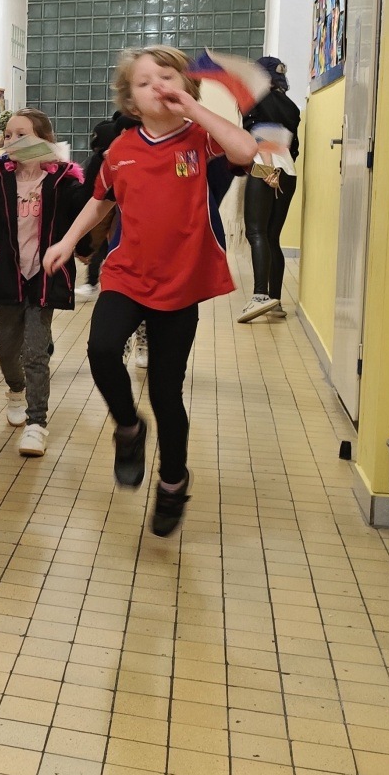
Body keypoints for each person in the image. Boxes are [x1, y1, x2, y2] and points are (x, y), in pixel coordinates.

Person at [44, 46, 257, 537]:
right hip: (127, 274)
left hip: (182, 283)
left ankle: (173, 482)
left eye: (168, 77)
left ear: (186, 87)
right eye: (144, 82)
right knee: (101, 350)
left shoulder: (202, 139)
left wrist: (195, 108)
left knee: (166, 392)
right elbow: (101, 201)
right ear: (131, 101)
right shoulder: (121, 148)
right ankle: (128, 427)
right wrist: (68, 241)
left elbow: (246, 152)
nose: (158, 86)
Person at [0, 109, 85, 456]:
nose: (12, 141)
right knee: (6, 348)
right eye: (8, 135)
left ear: (43, 139)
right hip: (7, 276)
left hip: (44, 277)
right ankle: (15, 389)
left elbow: (82, 212)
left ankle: (36, 423)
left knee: (35, 352)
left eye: (21, 134)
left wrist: (85, 248)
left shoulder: (63, 180)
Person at [238, 56, 301, 323]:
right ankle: (275, 301)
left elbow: (260, 134)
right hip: (288, 171)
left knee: (256, 232)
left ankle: (260, 296)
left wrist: (266, 170)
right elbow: (292, 148)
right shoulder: (291, 106)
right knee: (273, 237)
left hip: (265, 168)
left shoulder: (255, 99)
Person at [73, 109, 138, 302]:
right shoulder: (106, 160)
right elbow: (97, 200)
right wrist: (80, 243)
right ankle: (95, 282)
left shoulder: (108, 156)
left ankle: (95, 282)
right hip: (111, 217)